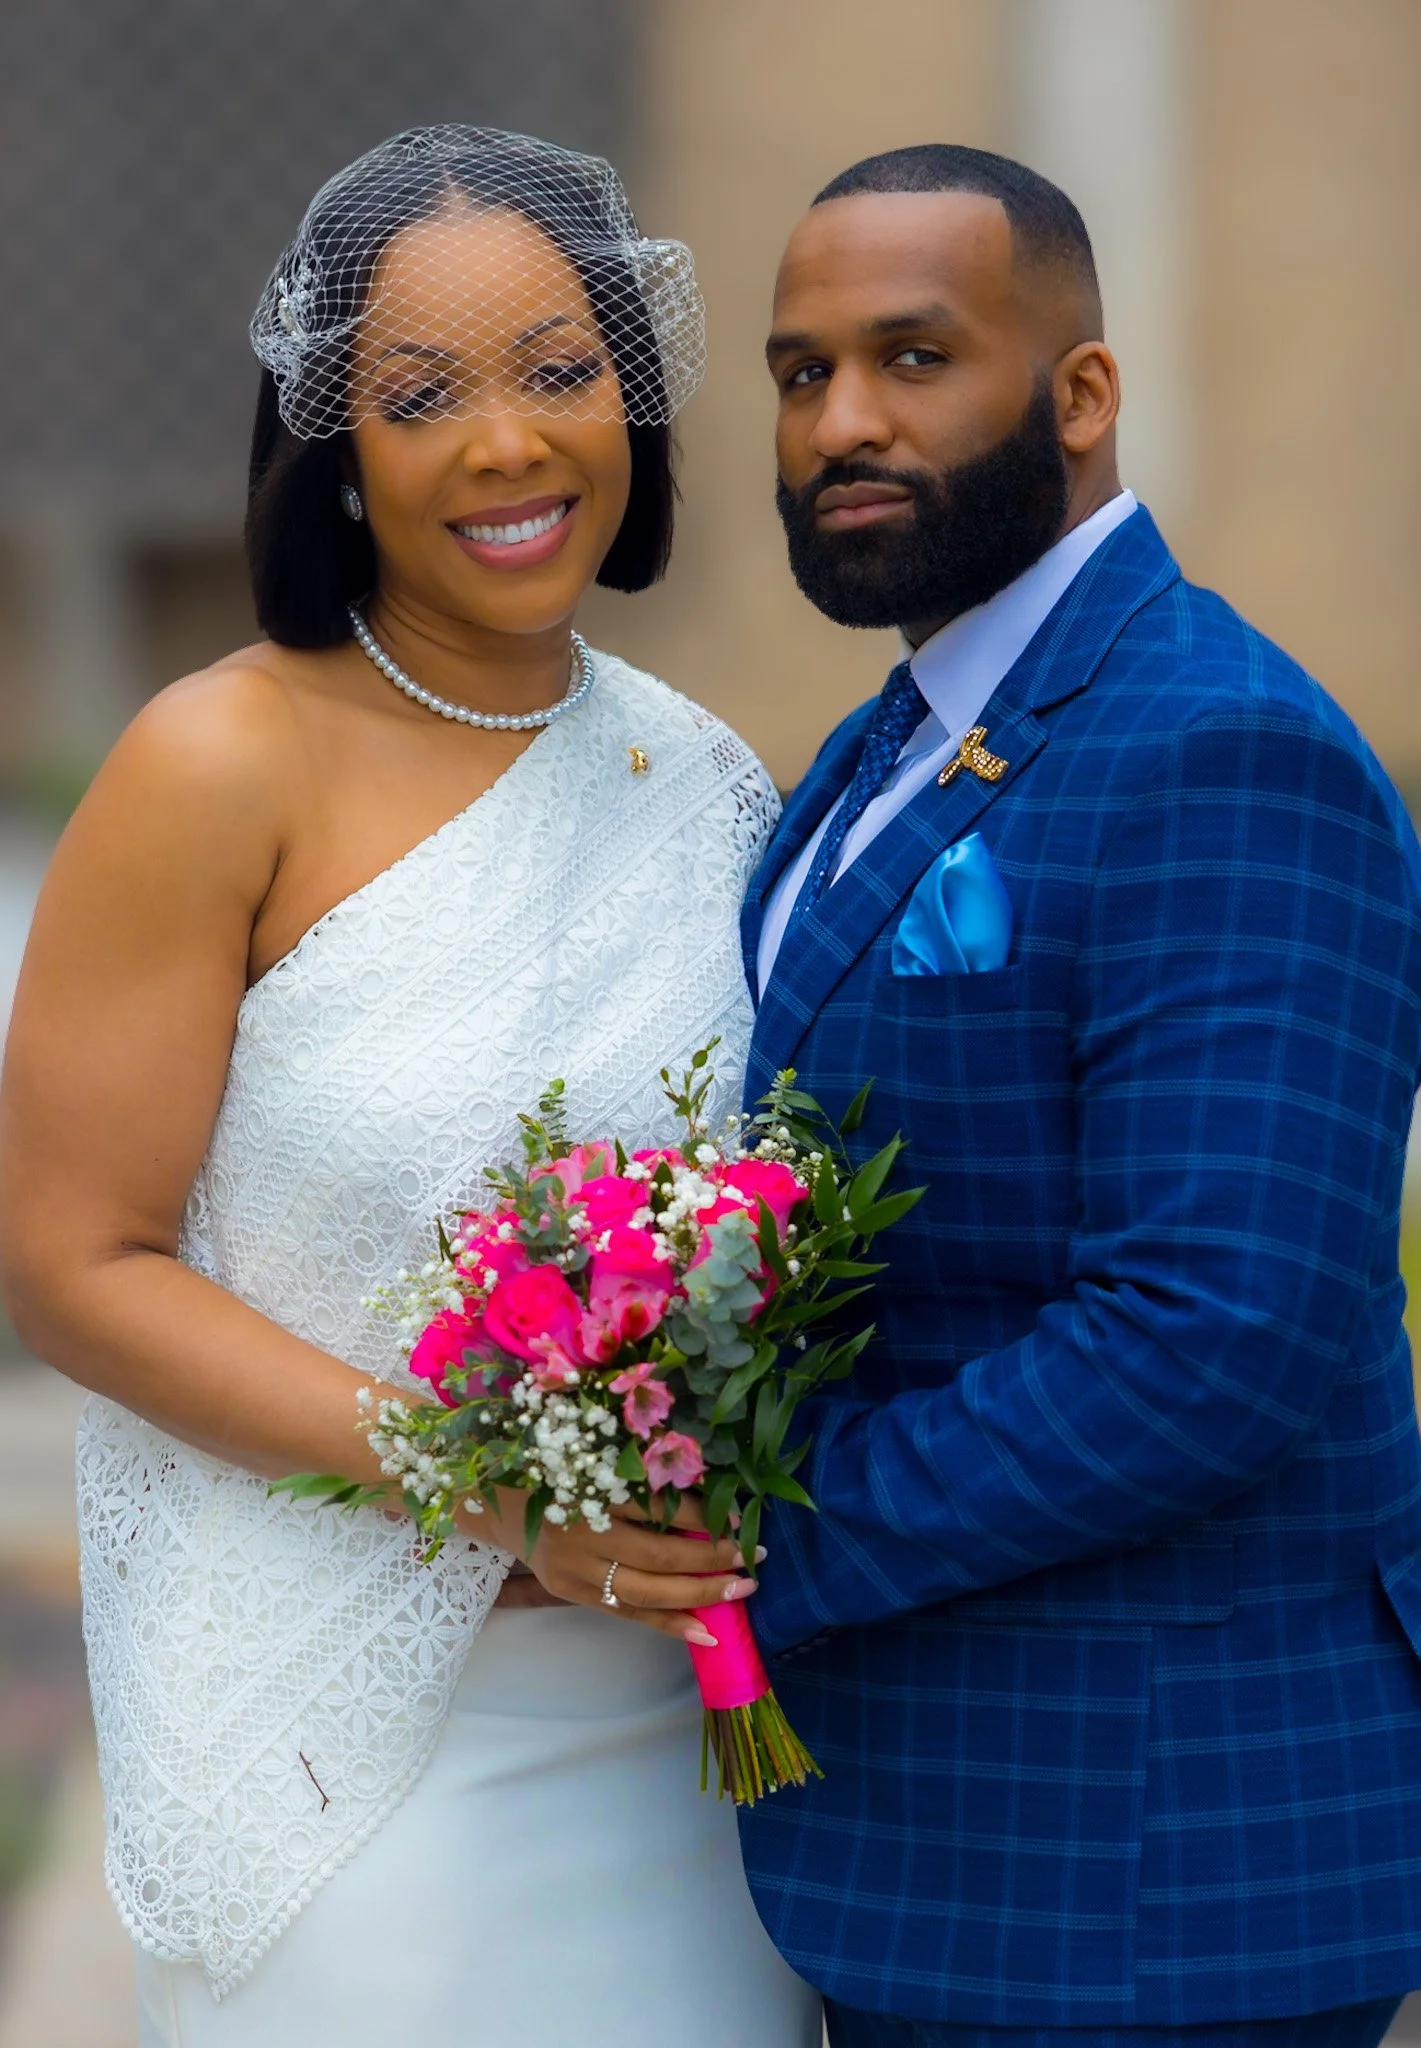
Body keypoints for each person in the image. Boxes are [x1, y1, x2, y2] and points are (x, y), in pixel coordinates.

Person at [0, 126, 820, 2047]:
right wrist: (488, 1491)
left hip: (686, 1756)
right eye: (423, 395)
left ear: (631, 394)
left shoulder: (705, 783)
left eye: (557, 369)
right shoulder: (215, 764)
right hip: (341, 1764)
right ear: (334, 452)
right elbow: (69, 1263)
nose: (510, 445)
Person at [736, 143, 1421, 2048]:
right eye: (801, 376)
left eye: (913, 357)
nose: (845, 422)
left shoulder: (1221, 747)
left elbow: (1210, 1336)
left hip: (1158, 1874)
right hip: (941, 1846)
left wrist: (762, 1540)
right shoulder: (895, 738)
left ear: (1084, 394)